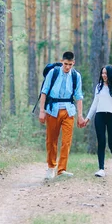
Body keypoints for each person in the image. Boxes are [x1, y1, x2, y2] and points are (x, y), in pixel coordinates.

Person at [38, 51, 85, 180]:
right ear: (61, 61)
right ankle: (51, 167)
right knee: (51, 140)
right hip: (52, 110)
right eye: (65, 64)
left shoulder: (76, 76)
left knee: (66, 141)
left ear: (73, 63)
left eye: (70, 64)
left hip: (69, 111)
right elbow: (44, 92)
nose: (67, 67)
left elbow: (79, 97)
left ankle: (62, 170)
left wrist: (80, 116)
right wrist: (42, 111)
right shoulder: (53, 73)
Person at [83, 65, 112, 177]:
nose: (103, 75)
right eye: (102, 73)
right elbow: (94, 103)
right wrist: (88, 118)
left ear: (111, 74)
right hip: (99, 116)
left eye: (106, 73)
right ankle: (101, 168)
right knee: (101, 142)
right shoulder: (99, 87)